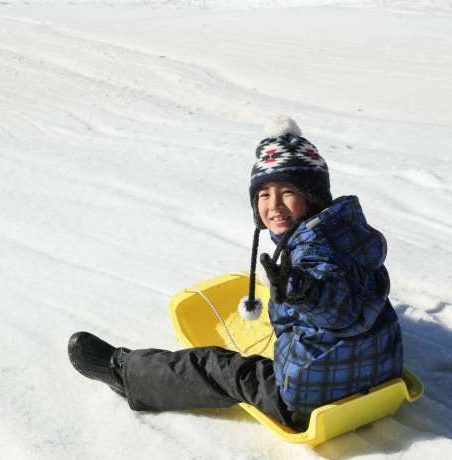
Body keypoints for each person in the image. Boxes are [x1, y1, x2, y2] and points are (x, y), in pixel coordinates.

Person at [67, 116, 403, 432]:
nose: (273, 205)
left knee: (216, 367)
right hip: (385, 376)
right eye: (263, 195)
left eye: (287, 192)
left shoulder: (312, 257)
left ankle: (124, 372)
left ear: (312, 196)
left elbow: (338, 302)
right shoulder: (349, 233)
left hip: (311, 399)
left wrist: (305, 291)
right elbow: (355, 295)